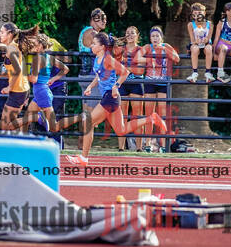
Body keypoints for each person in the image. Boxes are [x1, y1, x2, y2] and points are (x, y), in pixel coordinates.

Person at [65, 32, 168, 167]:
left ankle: (84, 158)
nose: (91, 46)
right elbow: (99, 76)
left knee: (88, 122)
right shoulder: (97, 59)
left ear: (102, 47)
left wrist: (116, 86)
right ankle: (151, 118)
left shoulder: (108, 59)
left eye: (94, 44)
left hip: (110, 97)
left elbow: (125, 72)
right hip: (110, 98)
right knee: (121, 130)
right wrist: (90, 86)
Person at [8, 34, 85, 133]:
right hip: (41, 93)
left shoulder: (37, 59)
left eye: (34, 44)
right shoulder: (49, 58)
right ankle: (24, 138)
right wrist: (53, 79)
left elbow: (34, 79)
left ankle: (80, 117)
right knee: (27, 118)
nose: (31, 45)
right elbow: (65, 69)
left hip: (42, 94)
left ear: (40, 46)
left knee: (54, 127)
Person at [0, 22, 39, 130]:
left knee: (5, 124)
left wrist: (9, 87)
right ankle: (34, 118)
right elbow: (17, 70)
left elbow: (18, 71)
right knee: (8, 125)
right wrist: (1, 74)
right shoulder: (14, 47)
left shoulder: (11, 49)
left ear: (10, 34)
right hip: (22, 89)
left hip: (18, 90)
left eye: (2, 32)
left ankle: (36, 117)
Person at [142, 26, 180, 153]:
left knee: (162, 114)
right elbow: (136, 58)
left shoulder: (166, 46)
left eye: (157, 36)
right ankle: (148, 144)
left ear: (161, 37)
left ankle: (163, 145)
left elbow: (176, 58)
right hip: (149, 82)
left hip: (163, 82)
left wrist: (164, 49)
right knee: (149, 114)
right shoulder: (147, 47)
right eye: (153, 36)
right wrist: (148, 59)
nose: (155, 38)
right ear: (150, 38)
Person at [78, 8, 107, 148]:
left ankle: (81, 144)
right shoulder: (92, 33)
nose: (104, 21)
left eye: (105, 18)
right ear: (93, 18)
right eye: (101, 18)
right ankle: (84, 145)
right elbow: (103, 49)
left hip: (85, 75)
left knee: (86, 113)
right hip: (91, 77)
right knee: (91, 114)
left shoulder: (87, 31)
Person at [114, 26, 145, 151]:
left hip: (136, 83)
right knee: (122, 116)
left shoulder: (141, 50)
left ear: (137, 35)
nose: (130, 35)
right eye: (127, 33)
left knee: (137, 116)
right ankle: (121, 147)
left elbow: (140, 71)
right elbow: (116, 68)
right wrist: (131, 66)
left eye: (132, 33)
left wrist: (125, 66)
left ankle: (139, 147)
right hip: (122, 83)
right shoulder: (120, 49)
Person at [186, 3, 215, 83]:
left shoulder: (210, 24)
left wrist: (206, 40)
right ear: (192, 15)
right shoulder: (191, 25)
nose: (198, 15)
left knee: (209, 48)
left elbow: (209, 38)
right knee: (195, 48)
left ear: (204, 13)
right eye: (195, 13)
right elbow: (192, 40)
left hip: (206, 46)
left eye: (199, 13)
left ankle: (208, 73)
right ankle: (194, 73)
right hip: (196, 46)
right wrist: (196, 42)